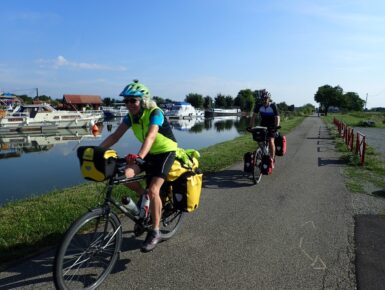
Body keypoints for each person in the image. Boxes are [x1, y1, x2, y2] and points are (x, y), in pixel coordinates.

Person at [99, 79, 177, 252]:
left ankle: (155, 231)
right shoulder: (130, 117)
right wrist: (97, 150)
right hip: (148, 153)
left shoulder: (155, 113)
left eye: (133, 100)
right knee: (122, 175)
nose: (129, 104)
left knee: (154, 190)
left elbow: (150, 136)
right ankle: (143, 196)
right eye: (126, 101)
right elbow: (115, 136)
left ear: (143, 100)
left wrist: (140, 156)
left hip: (166, 152)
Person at [248, 89, 280, 168]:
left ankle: (272, 160)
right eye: (263, 99)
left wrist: (276, 127)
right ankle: (263, 152)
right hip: (263, 124)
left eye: (266, 99)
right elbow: (254, 116)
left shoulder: (273, 105)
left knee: (271, 140)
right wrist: (250, 126)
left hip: (272, 124)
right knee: (259, 139)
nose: (264, 100)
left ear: (269, 98)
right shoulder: (258, 105)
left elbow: (277, 117)